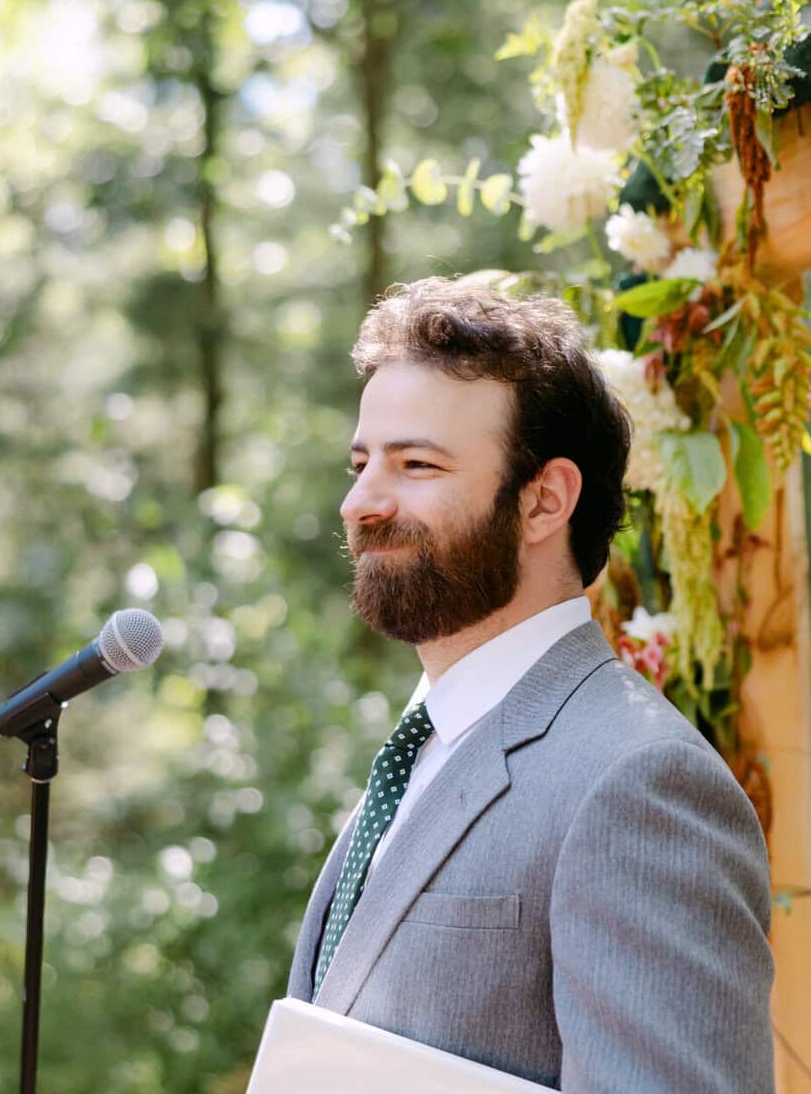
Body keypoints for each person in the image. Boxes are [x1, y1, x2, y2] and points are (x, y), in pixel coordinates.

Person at [285, 276, 774, 1091]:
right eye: (362, 461)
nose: (360, 501)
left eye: (416, 464)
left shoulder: (640, 783)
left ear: (545, 500)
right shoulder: (428, 743)